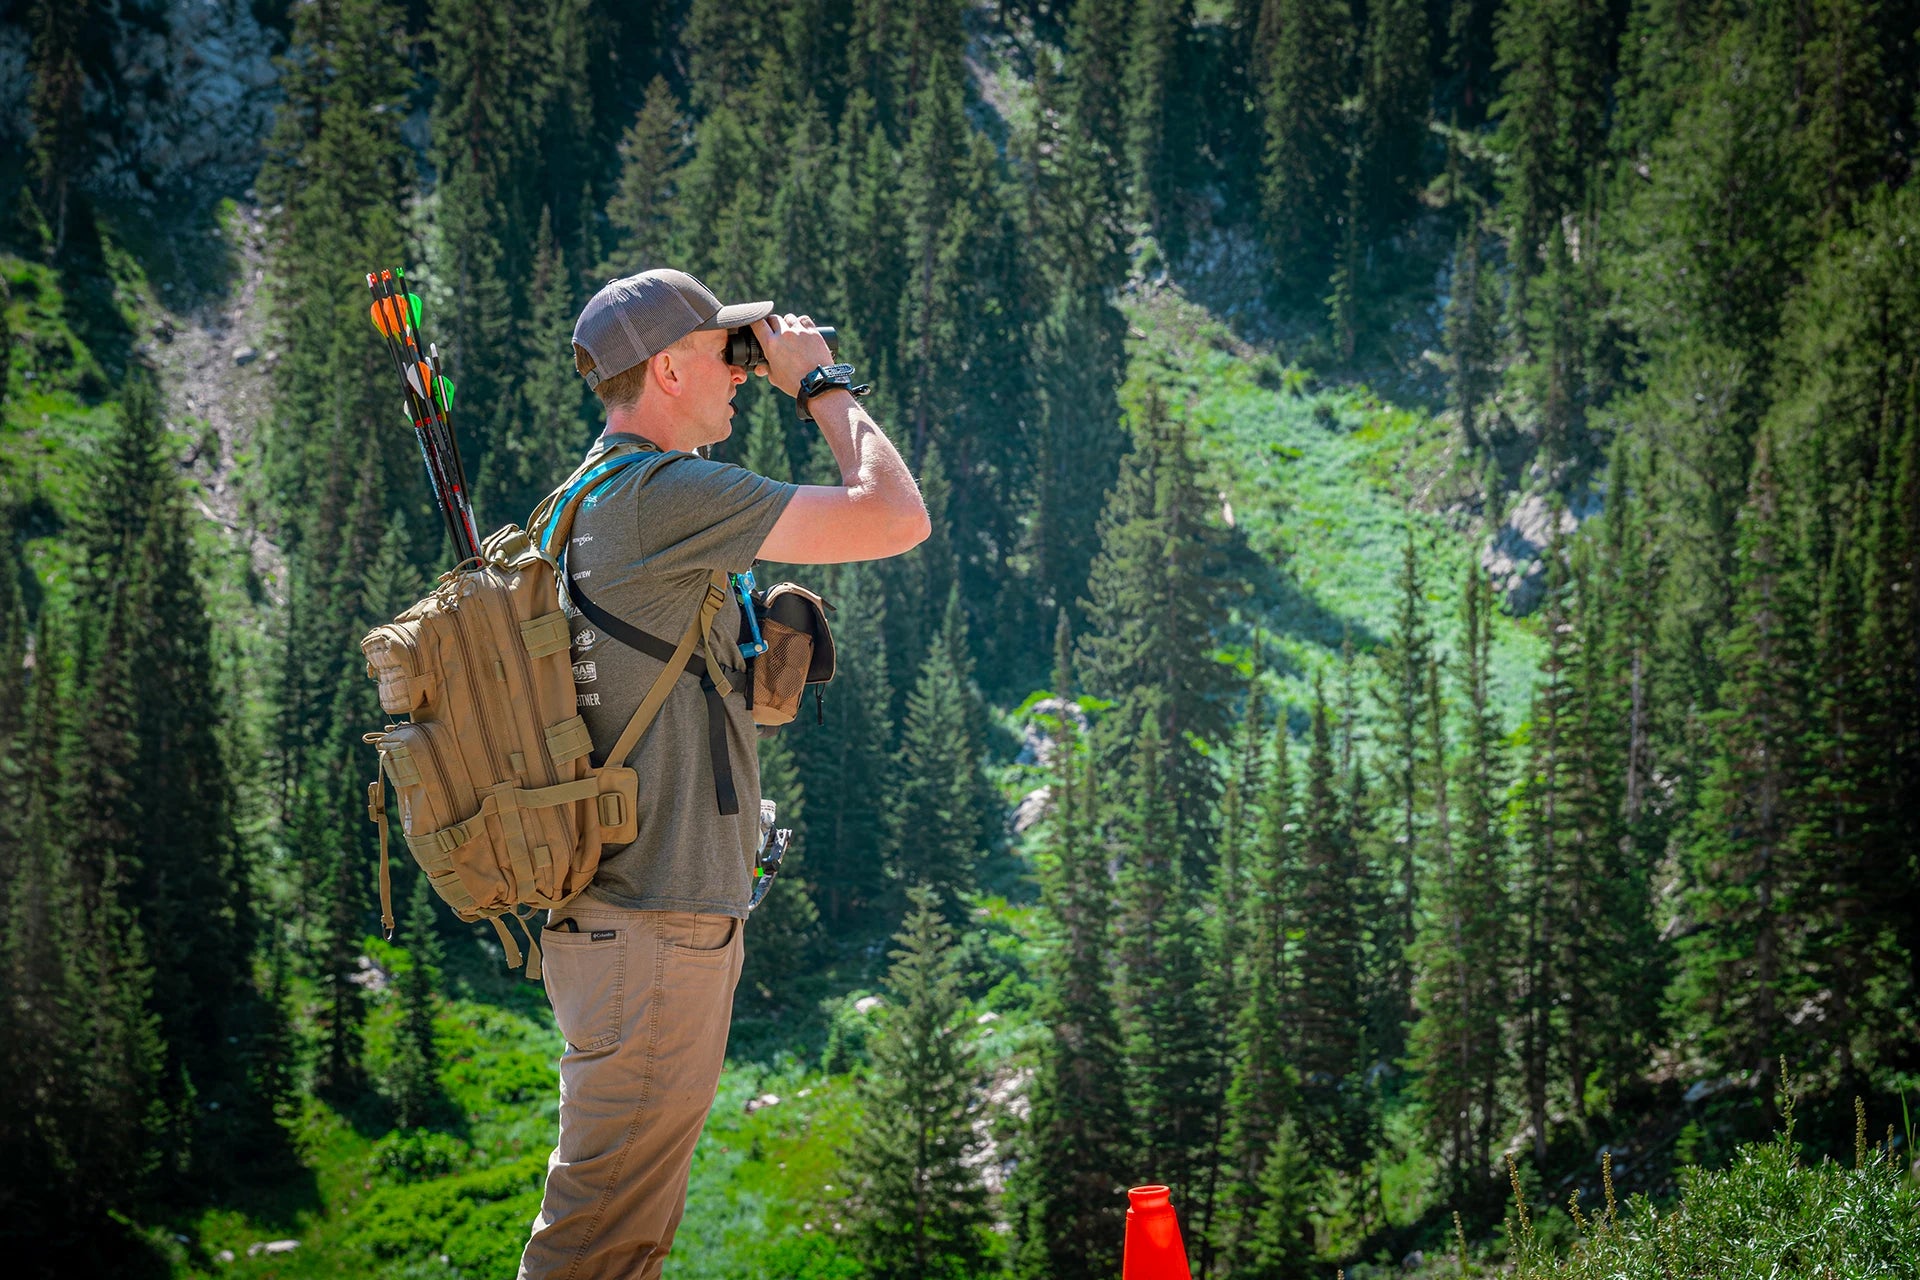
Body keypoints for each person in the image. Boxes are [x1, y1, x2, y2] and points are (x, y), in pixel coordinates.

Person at [518, 268, 929, 1279]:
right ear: (665, 370)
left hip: (620, 926)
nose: (744, 373)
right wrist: (821, 383)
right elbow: (894, 516)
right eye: (723, 353)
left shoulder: (581, 501)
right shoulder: (661, 498)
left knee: (624, 1237)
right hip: (654, 933)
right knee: (598, 1243)